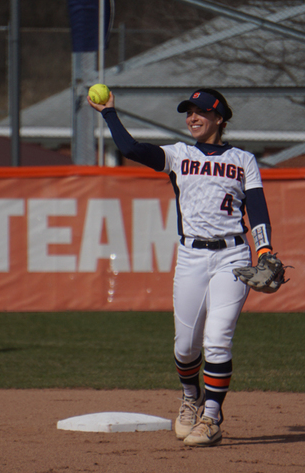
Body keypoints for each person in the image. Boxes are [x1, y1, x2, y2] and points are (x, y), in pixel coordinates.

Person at [89, 89, 277, 447]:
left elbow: (257, 207)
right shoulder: (179, 155)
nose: (192, 118)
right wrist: (109, 113)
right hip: (191, 256)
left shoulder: (243, 159)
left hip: (233, 257)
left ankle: (211, 416)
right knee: (185, 347)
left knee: (218, 340)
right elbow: (130, 150)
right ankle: (190, 397)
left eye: (201, 112)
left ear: (220, 118)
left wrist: (265, 247)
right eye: (188, 112)